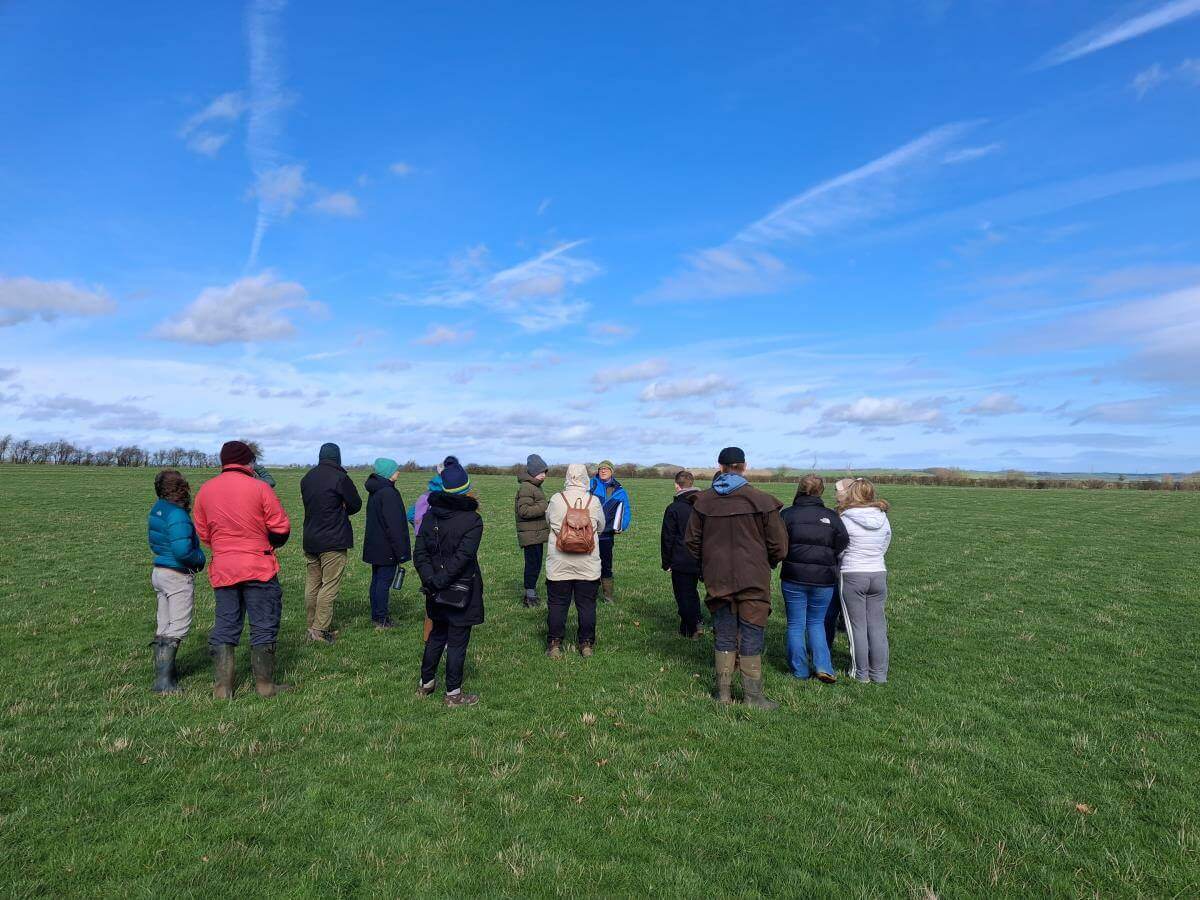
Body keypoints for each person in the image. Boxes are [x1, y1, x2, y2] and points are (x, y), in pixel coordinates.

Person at [685, 447, 788, 709]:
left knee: (724, 633)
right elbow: (779, 545)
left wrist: (707, 564)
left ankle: (723, 695)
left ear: (719, 467)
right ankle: (753, 697)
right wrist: (766, 563)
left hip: (717, 577)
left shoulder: (703, 502)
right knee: (752, 631)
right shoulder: (761, 500)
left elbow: (692, 542)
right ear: (744, 466)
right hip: (753, 578)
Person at [193, 440, 292, 699]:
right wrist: (266, 542)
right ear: (249, 462)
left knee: (225, 624)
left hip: (224, 566)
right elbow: (281, 528)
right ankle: (265, 686)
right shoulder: (260, 488)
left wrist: (224, 547)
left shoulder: (206, 490)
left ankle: (223, 688)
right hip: (258, 565)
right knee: (263, 623)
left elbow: (203, 531)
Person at [414, 458, 484, 706]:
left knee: (436, 634)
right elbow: (463, 557)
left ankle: (426, 683)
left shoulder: (430, 515)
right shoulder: (472, 520)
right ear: (466, 488)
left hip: (434, 587)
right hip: (461, 588)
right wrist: (440, 580)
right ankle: (453, 693)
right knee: (456, 641)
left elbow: (420, 553)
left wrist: (431, 580)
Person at [780, 474, 849, 682]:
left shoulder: (787, 515)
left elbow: (778, 543)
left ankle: (800, 670)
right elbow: (842, 542)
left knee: (795, 624)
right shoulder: (832, 517)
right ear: (821, 491)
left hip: (793, 576)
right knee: (817, 622)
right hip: (824, 579)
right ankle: (823, 666)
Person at [146, 469, 206, 694]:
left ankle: (165, 674)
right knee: (179, 625)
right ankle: (164, 682)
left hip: (160, 571)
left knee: (164, 623)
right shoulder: (177, 515)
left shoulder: (158, 509)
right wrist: (199, 558)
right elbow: (182, 550)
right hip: (176, 575)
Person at [300, 442, 362, 644]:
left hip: (311, 537)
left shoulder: (307, 477)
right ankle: (319, 630)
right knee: (329, 585)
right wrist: (343, 506)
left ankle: (312, 625)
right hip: (333, 539)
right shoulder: (340, 477)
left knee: (313, 584)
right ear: (338, 457)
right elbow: (356, 504)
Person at [544, 463, 606, 658]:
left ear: (567, 477)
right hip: (587, 563)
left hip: (559, 563)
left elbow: (548, 521)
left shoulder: (556, 499)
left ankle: (554, 644)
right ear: (585, 478)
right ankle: (586, 644)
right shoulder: (594, 501)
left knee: (557, 604)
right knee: (587, 605)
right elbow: (601, 526)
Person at [838, 478, 893, 684]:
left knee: (857, 626)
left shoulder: (845, 518)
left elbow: (841, 548)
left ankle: (860, 673)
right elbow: (886, 542)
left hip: (852, 573)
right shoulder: (882, 517)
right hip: (878, 572)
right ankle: (879, 673)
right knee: (878, 625)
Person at [362, 457, 411, 630]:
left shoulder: (376, 490)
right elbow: (394, 525)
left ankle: (377, 616)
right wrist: (401, 552)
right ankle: (381, 619)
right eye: (395, 470)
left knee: (377, 581)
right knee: (383, 582)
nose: (398, 472)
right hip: (386, 547)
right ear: (388, 473)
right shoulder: (389, 493)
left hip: (376, 545)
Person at [660, 470, 703, 638]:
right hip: (702, 557)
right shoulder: (703, 505)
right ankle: (694, 622)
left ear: (676, 486)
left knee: (683, 594)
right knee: (691, 591)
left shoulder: (674, 508)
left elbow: (667, 537)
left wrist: (666, 562)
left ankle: (691, 628)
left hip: (681, 557)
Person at [588, 460, 632, 603]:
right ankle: (590, 594)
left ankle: (608, 596)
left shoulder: (620, 490)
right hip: (589, 532)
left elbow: (626, 510)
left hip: (607, 534)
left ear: (611, 472)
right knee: (589, 564)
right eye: (601, 469)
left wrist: (621, 526)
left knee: (606, 565)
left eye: (606, 469)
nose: (603, 471)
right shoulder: (590, 484)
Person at [514, 453, 551, 607]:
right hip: (531, 535)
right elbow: (524, 511)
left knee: (535, 565)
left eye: (545, 472)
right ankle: (530, 597)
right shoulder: (526, 487)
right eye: (541, 472)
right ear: (533, 472)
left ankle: (531, 594)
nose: (544, 475)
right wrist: (545, 506)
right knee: (532, 565)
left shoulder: (534, 486)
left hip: (535, 534)